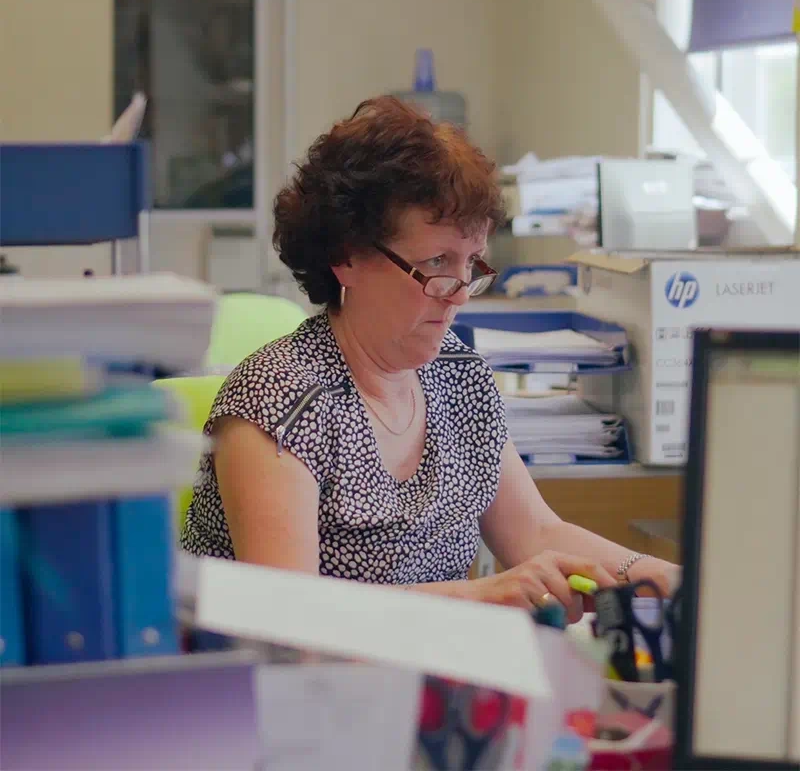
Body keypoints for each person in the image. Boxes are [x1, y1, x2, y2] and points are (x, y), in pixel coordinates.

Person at [181, 96, 679, 618]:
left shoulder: (458, 375)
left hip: (430, 661)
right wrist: (479, 596)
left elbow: (535, 532)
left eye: (471, 264)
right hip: (296, 670)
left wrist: (657, 575)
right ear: (347, 257)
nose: (460, 294)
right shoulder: (280, 399)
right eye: (437, 261)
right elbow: (288, 616)